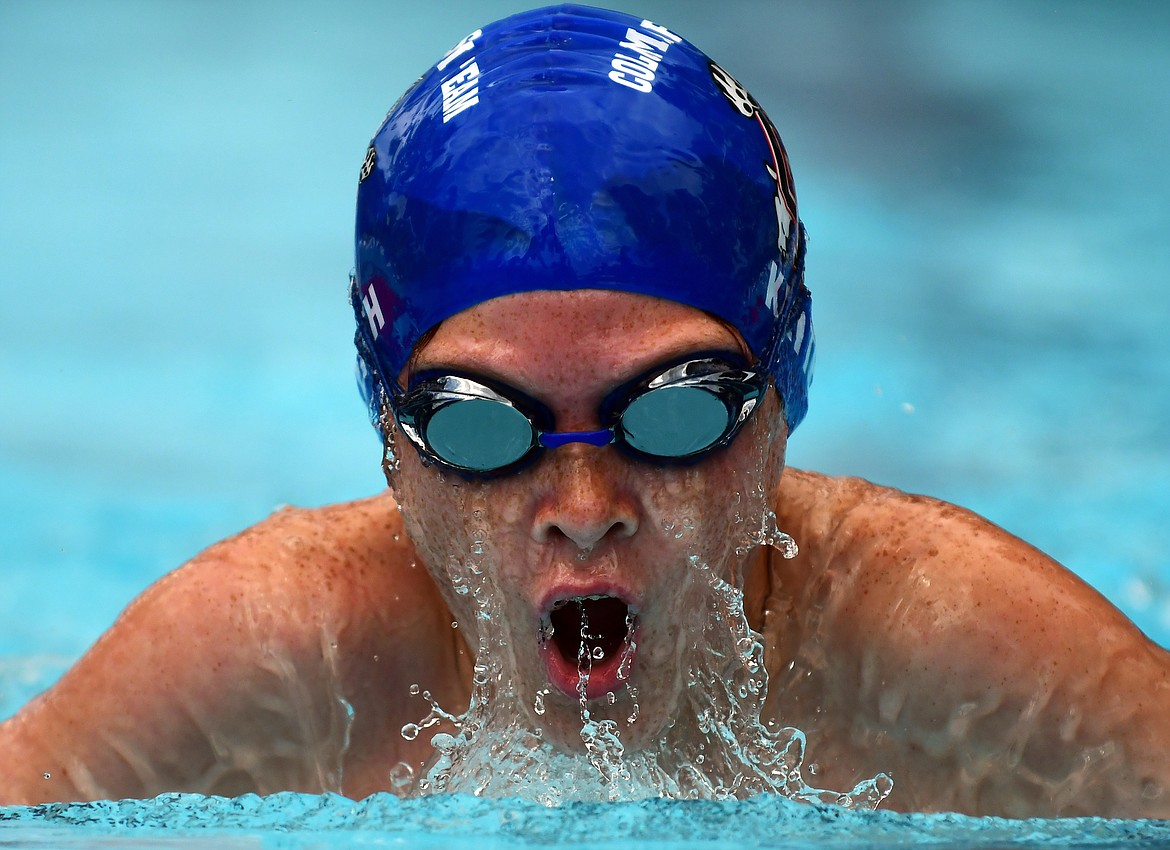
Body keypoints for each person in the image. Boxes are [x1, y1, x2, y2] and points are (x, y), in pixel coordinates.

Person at [2, 4, 1168, 817]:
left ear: (781, 399)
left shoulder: (965, 662)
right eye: (480, 426)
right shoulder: (271, 662)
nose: (583, 505)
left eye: (672, 413)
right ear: (392, 444)